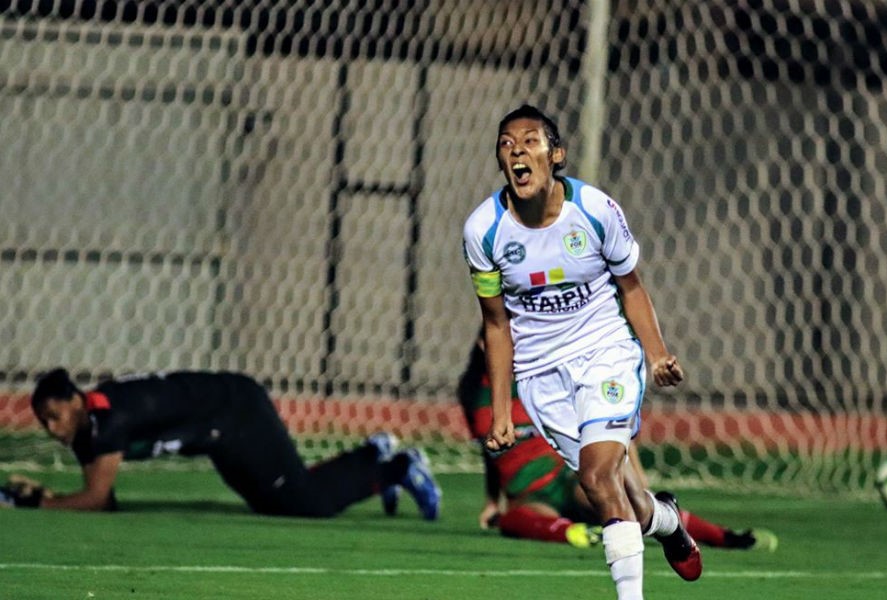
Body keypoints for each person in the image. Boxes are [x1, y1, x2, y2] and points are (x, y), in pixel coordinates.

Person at [462, 104, 701, 598]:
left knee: (595, 477)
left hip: (605, 353)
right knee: (621, 497)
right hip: (541, 376)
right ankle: (666, 520)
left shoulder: (595, 211)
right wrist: (503, 412)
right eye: (507, 144)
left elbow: (631, 287)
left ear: (556, 155)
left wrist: (656, 355)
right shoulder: (483, 231)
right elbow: (496, 324)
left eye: (530, 141)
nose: (517, 151)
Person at [458, 335, 778, 551]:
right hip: (527, 492)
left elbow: (607, 428)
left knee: (625, 501)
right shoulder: (472, 395)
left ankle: (724, 537)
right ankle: (576, 534)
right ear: (485, 345)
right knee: (513, 519)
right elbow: (489, 450)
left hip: (567, 475)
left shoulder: (549, 379)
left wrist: (637, 480)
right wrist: (492, 500)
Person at [0, 368, 442, 521]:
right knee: (274, 503)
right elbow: (104, 498)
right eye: (44, 421)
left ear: (76, 401)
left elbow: (96, 500)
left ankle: (399, 468)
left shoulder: (105, 422)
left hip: (235, 413)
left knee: (306, 504)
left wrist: (36, 503)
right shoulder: (87, 424)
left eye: (55, 416)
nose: (52, 429)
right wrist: (52, 498)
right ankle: (373, 453)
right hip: (216, 431)